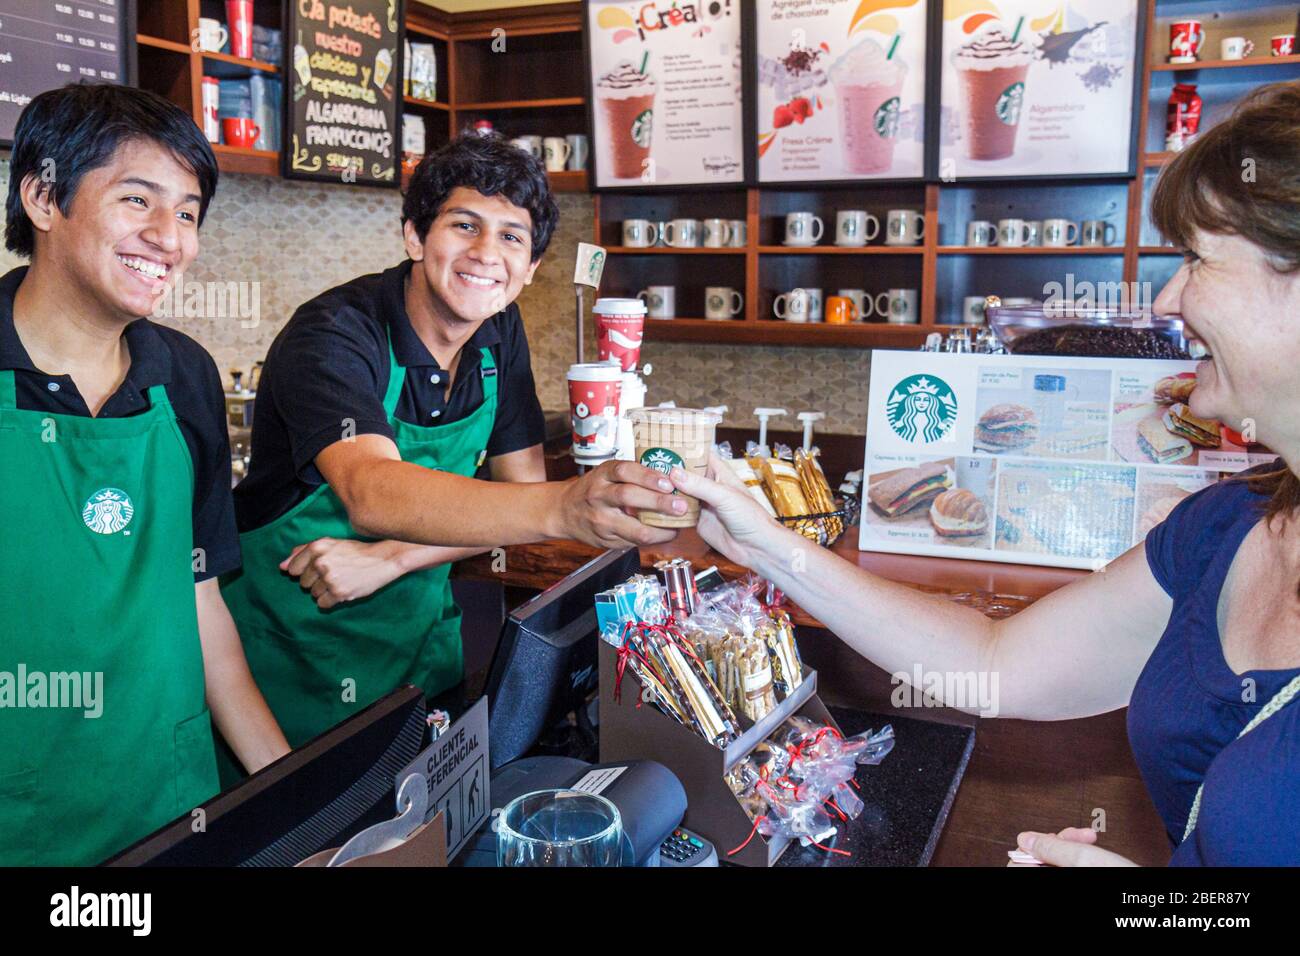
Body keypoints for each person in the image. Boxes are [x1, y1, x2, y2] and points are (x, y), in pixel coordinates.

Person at [668, 82, 1300, 867]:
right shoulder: (1227, 527)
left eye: (1198, 258)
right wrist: (765, 544)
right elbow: (993, 666)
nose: (1169, 296)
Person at [221, 134, 682, 752]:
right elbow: (371, 489)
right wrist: (566, 506)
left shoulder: (498, 330)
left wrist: (395, 558)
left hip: (420, 658)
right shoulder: (334, 334)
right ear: (415, 235)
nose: (486, 253)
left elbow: (515, 499)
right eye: (465, 224)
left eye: (511, 236)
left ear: (532, 268)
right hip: (292, 673)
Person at [0, 84, 289, 865]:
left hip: (169, 808)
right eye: (139, 200)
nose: (170, 238)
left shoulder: (183, 376)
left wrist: (298, 806)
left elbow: (203, 609)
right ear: (42, 196)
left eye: (189, 212)